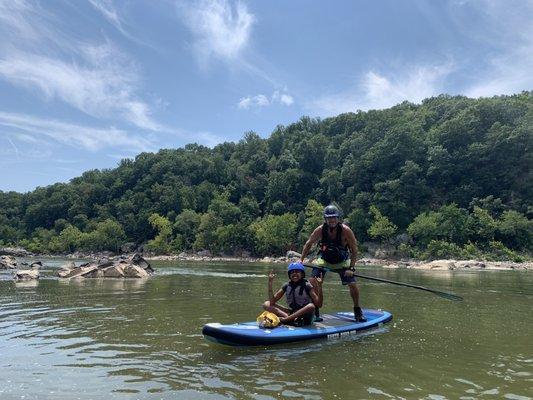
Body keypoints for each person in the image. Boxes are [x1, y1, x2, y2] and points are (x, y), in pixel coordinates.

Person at [300, 204, 367, 322]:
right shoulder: (320, 229)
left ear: (338, 218)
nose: (331, 220)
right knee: (312, 281)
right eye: (329, 218)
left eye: (334, 217)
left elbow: (354, 250)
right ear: (325, 219)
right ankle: (315, 310)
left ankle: (357, 309)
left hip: (342, 261)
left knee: (352, 284)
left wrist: (351, 268)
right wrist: (301, 260)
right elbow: (309, 243)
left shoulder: (346, 230)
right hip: (325, 260)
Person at [262, 262, 323, 326]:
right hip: (292, 313)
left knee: (311, 306)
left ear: (302, 274)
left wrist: (319, 286)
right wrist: (270, 283)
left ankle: (286, 320)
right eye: (292, 272)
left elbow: (319, 305)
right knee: (267, 304)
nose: (294, 274)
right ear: (289, 275)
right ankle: (291, 320)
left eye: (297, 272)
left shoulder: (307, 285)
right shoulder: (286, 285)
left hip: (305, 316)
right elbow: (272, 302)